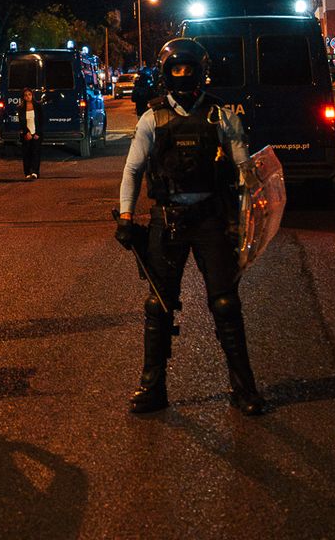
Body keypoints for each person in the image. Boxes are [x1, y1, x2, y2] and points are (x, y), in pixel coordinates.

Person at [116, 36, 263, 415]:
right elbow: (132, 170)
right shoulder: (152, 118)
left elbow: (246, 173)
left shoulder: (221, 117)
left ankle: (244, 389)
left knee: (226, 304)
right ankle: (152, 388)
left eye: (188, 68)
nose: (182, 76)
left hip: (211, 220)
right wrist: (127, 216)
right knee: (158, 306)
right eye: (175, 69)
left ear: (201, 72)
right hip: (167, 223)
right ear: (166, 74)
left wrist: (250, 219)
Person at [18, 87, 44, 179]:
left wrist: (38, 133)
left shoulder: (38, 106)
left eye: (29, 94)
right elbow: (21, 122)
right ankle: (27, 172)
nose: (27, 97)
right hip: (26, 134)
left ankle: (35, 172)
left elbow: (41, 121)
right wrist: (26, 133)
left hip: (36, 134)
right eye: (25, 95)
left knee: (36, 153)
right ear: (23, 97)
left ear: (32, 95)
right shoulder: (21, 108)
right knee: (26, 154)